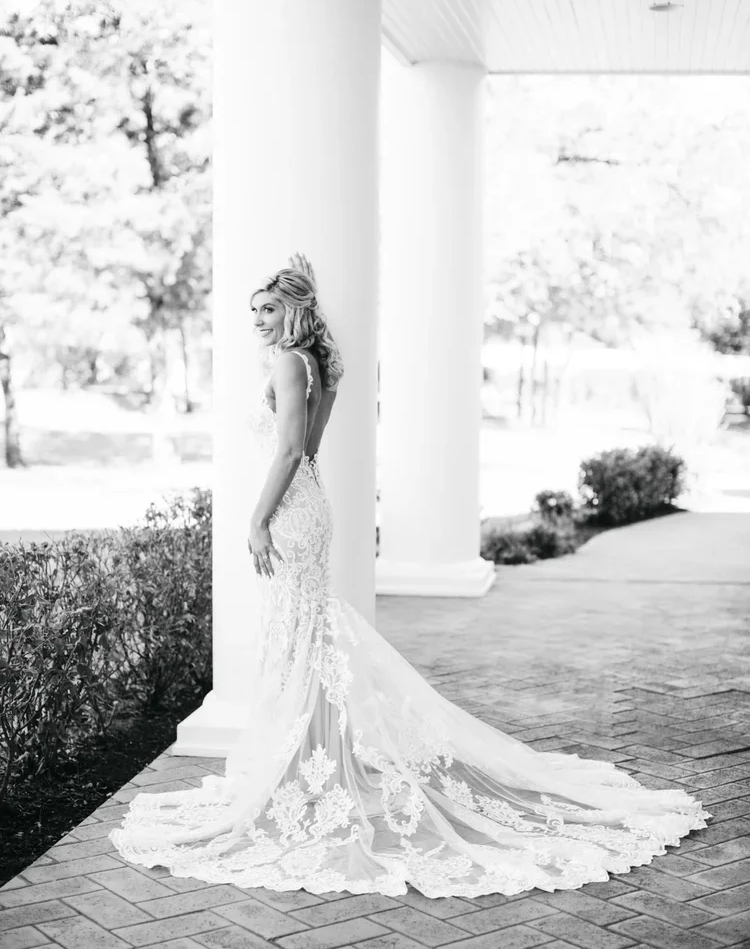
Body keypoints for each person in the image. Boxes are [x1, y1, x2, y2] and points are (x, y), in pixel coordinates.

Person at [109, 253, 709, 898]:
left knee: (299, 637)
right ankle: (306, 768)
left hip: (287, 510)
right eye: (254, 310)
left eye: (269, 309)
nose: (259, 320)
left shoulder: (288, 363)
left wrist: (256, 520)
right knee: (305, 638)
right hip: (311, 505)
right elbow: (310, 452)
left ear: (296, 311)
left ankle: (306, 770)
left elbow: (287, 451)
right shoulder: (319, 365)